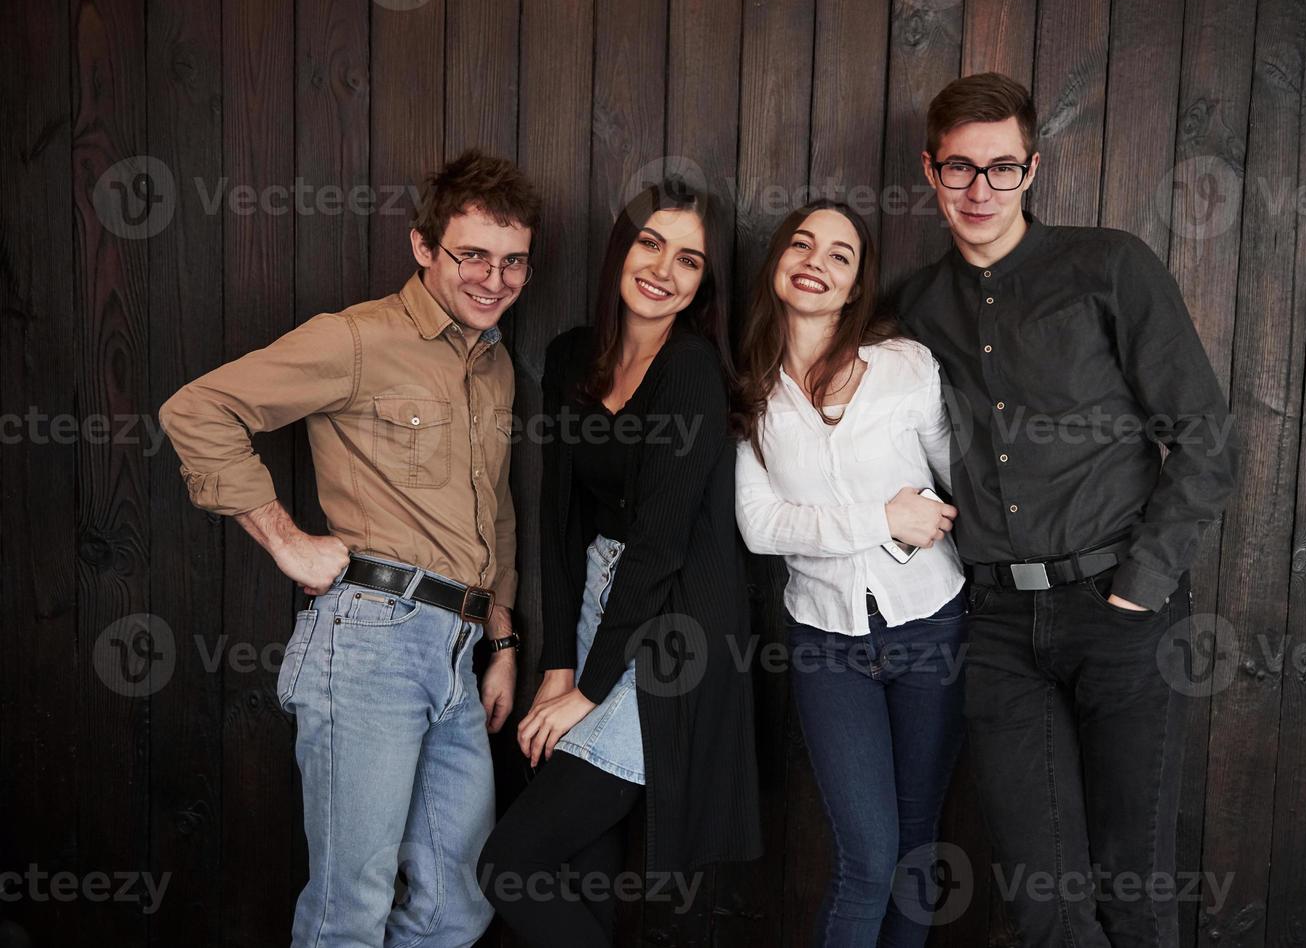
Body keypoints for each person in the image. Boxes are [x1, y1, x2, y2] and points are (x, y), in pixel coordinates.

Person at [892, 72, 1240, 948]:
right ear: (929, 172)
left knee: (1133, 887)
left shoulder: (1108, 265)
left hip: (1119, 611)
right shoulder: (906, 311)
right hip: (995, 626)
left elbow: (1202, 434)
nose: (980, 191)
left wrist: (1143, 584)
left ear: (1032, 169)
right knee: (1044, 905)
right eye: (960, 169)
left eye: (1001, 168)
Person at [159, 149, 537, 946]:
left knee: (457, 905)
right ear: (423, 247)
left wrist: (500, 639)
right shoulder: (358, 340)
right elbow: (198, 411)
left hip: (459, 652)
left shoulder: (494, 365)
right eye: (472, 255)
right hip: (370, 641)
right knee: (351, 909)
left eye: (512, 262)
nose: (492, 279)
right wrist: (286, 541)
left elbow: (493, 511)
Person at [484, 178, 762, 945]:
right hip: (594, 609)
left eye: (689, 260)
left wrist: (591, 689)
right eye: (650, 243)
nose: (664, 270)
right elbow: (559, 516)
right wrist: (557, 668)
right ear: (620, 248)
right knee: (583, 871)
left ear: (704, 283)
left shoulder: (693, 369)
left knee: (509, 865)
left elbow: (660, 546)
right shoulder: (571, 355)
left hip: (673, 631)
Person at [732, 200, 968, 946]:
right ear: (776, 263)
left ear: (856, 282)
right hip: (825, 646)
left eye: (839, 255)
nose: (816, 262)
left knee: (915, 845)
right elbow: (760, 527)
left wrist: (916, 516)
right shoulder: (749, 391)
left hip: (932, 625)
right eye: (801, 245)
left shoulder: (904, 366)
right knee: (867, 857)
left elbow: (958, 478)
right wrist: (880, 520)